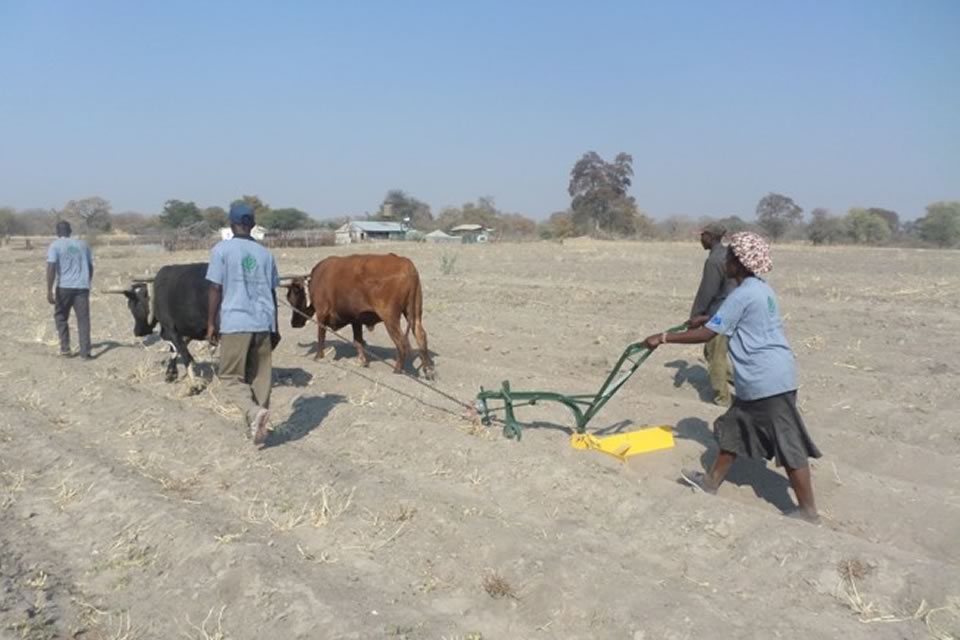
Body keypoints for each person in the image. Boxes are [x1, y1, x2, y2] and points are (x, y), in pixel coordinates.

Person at [643, 231, 822, 523]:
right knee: (734, 429)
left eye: (729, 256)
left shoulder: (742, 294)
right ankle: (710, 483)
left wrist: (663, 337)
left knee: (788, 443)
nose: (724, 260)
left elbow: (707, 334)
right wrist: (706, 318)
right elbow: (725, 320)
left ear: (739, 263)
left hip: (767, 381)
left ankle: (808, 511)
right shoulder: (761, 289)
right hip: (773, 375)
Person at [206, 202, 281, 446]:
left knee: (229, 376)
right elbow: (272, 295)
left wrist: (211, 323)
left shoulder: (221, 250)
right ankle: (258, 429)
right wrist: (275, 327)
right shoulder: (266, 255)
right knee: (261, 378)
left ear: (231, 223)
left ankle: (252, 413)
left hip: (236, 321)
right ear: (252, 225)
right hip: (263, 322)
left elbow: (215, 288)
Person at [690, 222, 735, 406]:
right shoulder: (727, 255)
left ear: (710, 236)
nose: (700, 239)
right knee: (715, 352)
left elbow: (707, 292)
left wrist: (696, 315)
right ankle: (738, 382)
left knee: (714, 354)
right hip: (730, 310)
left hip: (718, 314)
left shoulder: (714, 260)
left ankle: (722, 398)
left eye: (702, 235)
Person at [46, 220, 94, 359]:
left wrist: (49, 290)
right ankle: (85, 353)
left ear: (57, 231)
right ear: (70, 230)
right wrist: (87, 281)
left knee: (61, 317)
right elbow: (90, 267)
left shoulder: (55, 245)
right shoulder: (83, 245)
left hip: (64, 288)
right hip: (82, 287)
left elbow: (51, 268)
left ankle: (65, 349)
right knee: (83, 320)